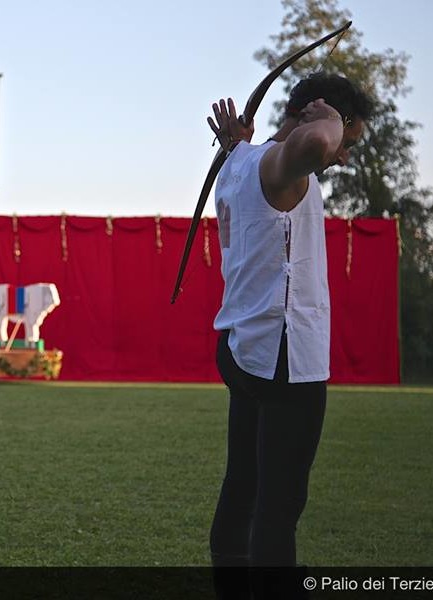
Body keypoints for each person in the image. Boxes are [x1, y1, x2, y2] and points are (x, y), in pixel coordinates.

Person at [206, 73, 374, 598]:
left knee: (245, 488)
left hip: (243, 349)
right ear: (316, 116)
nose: (342, 155)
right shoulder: (282, 165)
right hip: (284, 356)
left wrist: (238, 141)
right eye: (350, 141)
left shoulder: (239, 160)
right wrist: (326, 121)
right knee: (279, 508)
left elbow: (269, 158)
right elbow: (315, 144)